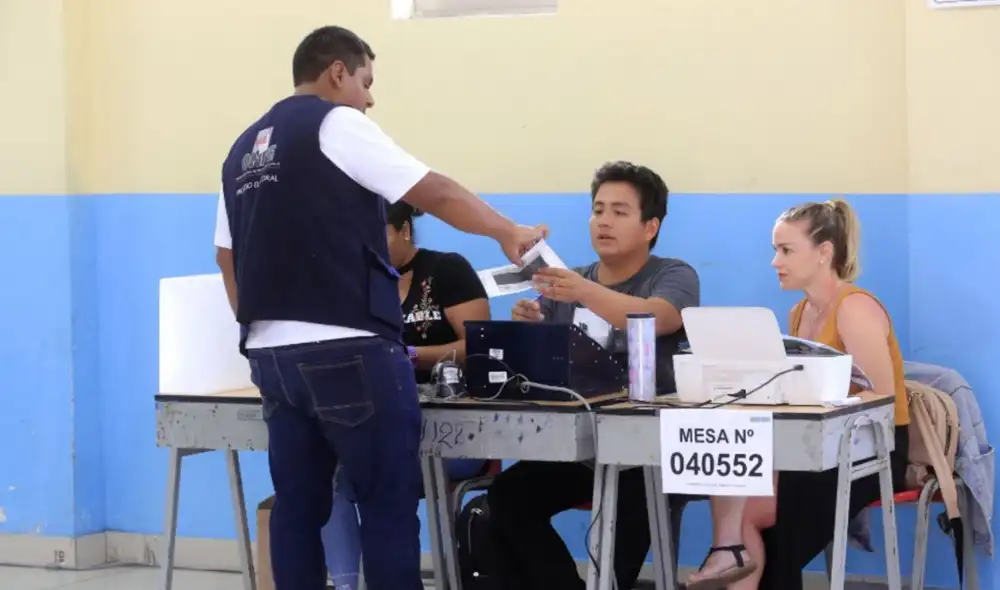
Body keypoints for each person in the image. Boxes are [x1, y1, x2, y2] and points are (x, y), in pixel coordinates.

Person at [213, 25, 547, 590]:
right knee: (387, 506)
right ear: (337, 72)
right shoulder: (334, 122)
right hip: (348, 347)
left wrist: (259, 335)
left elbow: (227, 258)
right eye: (366, 82)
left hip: (271, 357)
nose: (370, 99)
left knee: (298, 508)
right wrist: (504, 230)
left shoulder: (241, 149)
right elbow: (430, 190)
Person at [487, 161, 700, 590]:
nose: (603, 221)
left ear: (650, 226)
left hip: (648, 454)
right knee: (505, 498)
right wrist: (531, 329)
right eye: (598, 209)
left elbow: (658, 318)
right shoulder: (571, 282)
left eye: (619, 212)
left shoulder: (672, 274)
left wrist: (584, 292)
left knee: (628, 524)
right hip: (579, 449)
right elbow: (546, 370)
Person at [687, 198, 910, 590]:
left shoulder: (854, 308)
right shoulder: (798, 313)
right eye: (776, 250)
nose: (775, 261)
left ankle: (733, 558)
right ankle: (733, 557)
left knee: (745, 513)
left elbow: (883, 401)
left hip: (870, 446)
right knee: (731, 477)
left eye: (786, 250)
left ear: (824, 253)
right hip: (812, 441)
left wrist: (820, 409)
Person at [320, 200, 490, 589]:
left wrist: (408, 356)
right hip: (384, 421)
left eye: (376, 233)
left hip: (454, 432)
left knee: (381, 477)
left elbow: (480, 344)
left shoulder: (446, 269)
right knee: (331, 480)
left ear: (405, 230)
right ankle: (347, 584)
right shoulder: (357, 279)